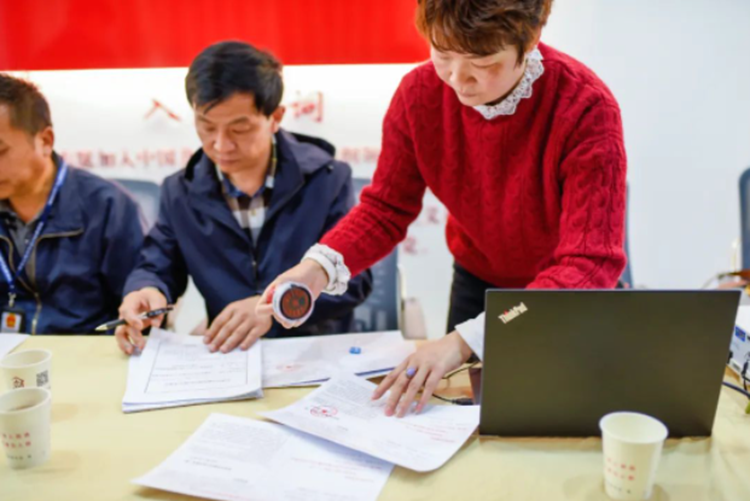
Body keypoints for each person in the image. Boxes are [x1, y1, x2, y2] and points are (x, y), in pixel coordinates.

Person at [257, 0, 627, 416]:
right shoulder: (419, 95)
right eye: (443, 54)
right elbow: (385, 209)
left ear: (530, 40)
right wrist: (319, 267)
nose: (458, 79)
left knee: (568, 419)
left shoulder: (585, 106)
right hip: (478, 282)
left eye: (483, 62)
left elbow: (589, 262)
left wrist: (467, 339)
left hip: (568, 294)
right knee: (467, 422)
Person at [115, 41, 372, 355]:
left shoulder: (326, 179)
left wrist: (271, 307)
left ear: (275, 117)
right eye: (207, 127)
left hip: (313, 352)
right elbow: (158, 263)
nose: (221, 145)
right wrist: (146, 289)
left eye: (239, 129)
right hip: (231, 354)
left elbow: (354, 277)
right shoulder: (180, 192)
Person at [0, 73, 145, 334]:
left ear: (45, 141)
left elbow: (137, 310)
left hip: (88, 350)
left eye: (0, 151)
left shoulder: (109, 207)